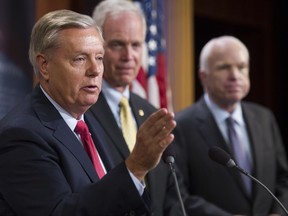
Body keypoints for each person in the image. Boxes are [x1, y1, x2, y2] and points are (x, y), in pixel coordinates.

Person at [0, 9, 177, 215]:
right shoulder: (21, 135)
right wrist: (135, 168)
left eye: (99, 58)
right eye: (80, 59)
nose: (95, 70)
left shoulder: (88, 120)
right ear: (45, 66)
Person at [88, 1, 234, 215]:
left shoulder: (151, 112)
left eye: (136, 45)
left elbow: (173, 199)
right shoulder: (82, 109)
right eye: (117, 44)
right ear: (98, 46)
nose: (129, 56)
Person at [173, 35, 288, 215]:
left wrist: (278, 213)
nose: (235, 76)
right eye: (224, 67)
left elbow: (283, 178)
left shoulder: (265, 118)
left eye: (242, 67)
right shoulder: (180, 125)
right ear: (203, 76)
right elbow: (177, 196)